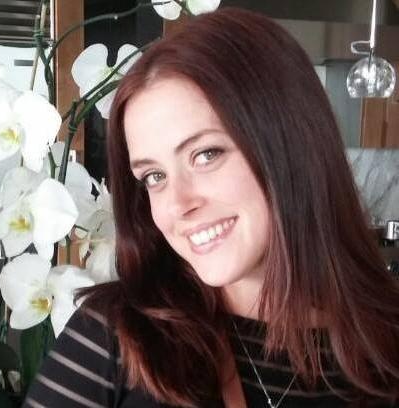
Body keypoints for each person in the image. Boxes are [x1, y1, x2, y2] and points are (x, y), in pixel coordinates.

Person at [23, 7, 399, 408]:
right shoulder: (114, 336)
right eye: (154, 176)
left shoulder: (386, 348)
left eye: (206, 155)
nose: (177, 205)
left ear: (293, 144)